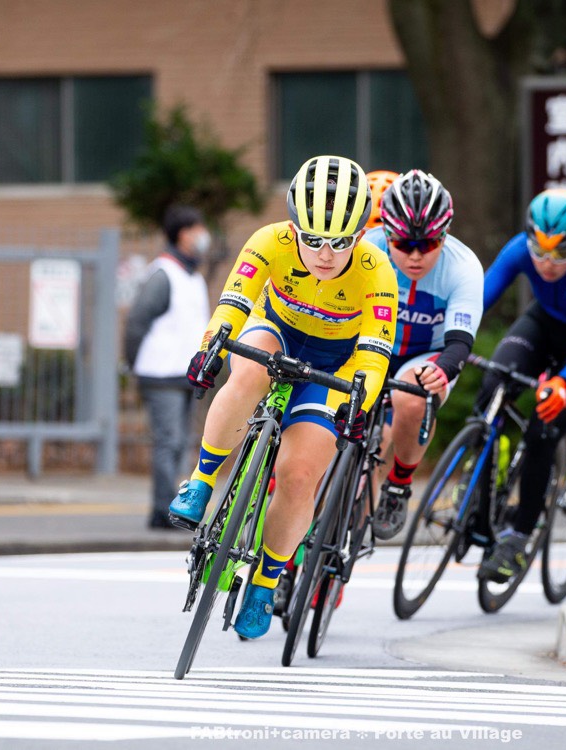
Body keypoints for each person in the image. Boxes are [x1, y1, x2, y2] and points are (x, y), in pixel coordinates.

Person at [167, 155, 398, 639]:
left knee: (299, 476)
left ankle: (264, 583)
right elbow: (233, 305)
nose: (326, 253)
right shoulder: (269, 241)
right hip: (275, 332)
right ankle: (202, 481)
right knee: (248, 368)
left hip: (334, 367)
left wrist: (354, 403)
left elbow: (375, 357)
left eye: (341, 242)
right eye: (313, 239)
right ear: (294, 227)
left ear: (361, 233)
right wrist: (211, 347)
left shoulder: (379, 271)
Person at [476, 188, 566, 584]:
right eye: (538, 252)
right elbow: (477, 303)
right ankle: (485, 482)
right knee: (494, 385)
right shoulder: (518, 250)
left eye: (560, 255)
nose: (546, 264)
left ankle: (519, 539)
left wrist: (562, 382)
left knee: (543, 429)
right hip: (544, 323)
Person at [362, 169, 484, 540]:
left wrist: (443, 371)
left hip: (427, 354)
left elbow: (459, 344)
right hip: (374, 345)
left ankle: (398, 484)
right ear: (387, 232)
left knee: (411, 395)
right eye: (403, 243)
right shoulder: (368, 248)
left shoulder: (463, 268)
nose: (415, 256)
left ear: (444, 234)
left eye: (429, 245)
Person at [124, 205, 212, 530]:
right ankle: (162, 511)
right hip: (160, 373)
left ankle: (173, 506)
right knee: (168, 441)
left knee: (181, 443)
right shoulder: (163, 273)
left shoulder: (193, 276)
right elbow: (137, 322)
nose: (202, 235)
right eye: (195, 228)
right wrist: (135, 363)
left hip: (185, 374)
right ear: (181, 234)